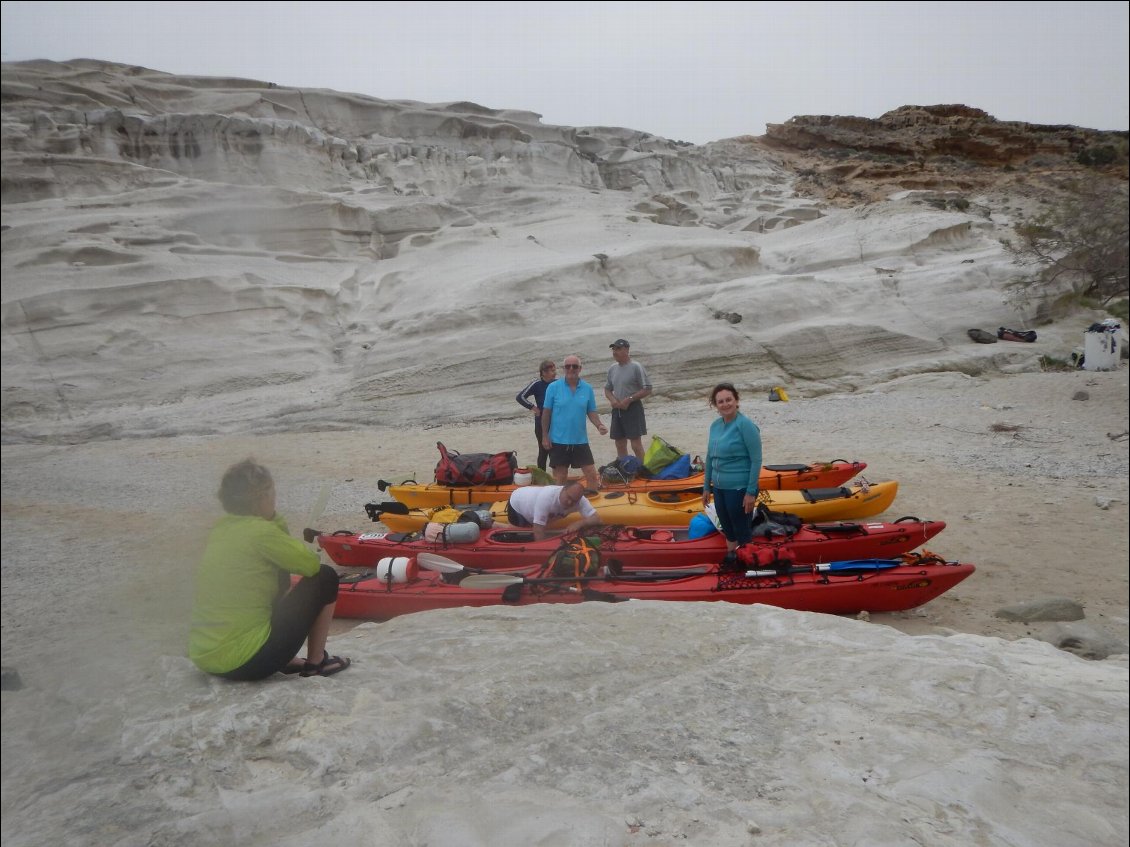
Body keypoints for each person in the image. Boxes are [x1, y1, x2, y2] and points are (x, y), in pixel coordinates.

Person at [188, 459, 351, 680]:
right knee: (325, 577)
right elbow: (309, 564)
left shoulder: (221, 529)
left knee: (271, 576)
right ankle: (317, 661)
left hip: (207, 659)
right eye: (272, 493)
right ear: (261, 498)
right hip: (246, 662)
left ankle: (286, 660)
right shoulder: (261, 532)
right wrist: (273, 520)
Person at [701, 383, 763, 558]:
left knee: (741, 531)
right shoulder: (715, 426)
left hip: (740, 488)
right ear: (715, 405)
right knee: (728, 529)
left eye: (729, 399)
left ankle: (749, 564)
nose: (725, 404)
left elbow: (756, 460)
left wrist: (750, 492)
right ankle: (734, 560)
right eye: (720, 401)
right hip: (719, 489)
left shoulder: (745, 425)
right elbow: (709, 456)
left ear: (736, 400)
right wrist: (706, 486)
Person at [541, 354, 608, 490]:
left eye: (574, 366)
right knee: (561, 476)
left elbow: (591, 411)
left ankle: (591, 501)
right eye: (567, 366)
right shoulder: (553, 387)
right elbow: (546, 413)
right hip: (559, 440)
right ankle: (559, 505)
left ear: (580, 369)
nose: (571, 369)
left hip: (580, 439)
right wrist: (544, 436)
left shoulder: (587, 388)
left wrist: (599, 425)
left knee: (591, 473)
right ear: (563, 368)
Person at [604, 339, 652, 461]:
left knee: (636, 444)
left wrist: (629, 399)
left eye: (618, 349)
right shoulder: (612, 368)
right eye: (613, 349)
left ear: (627, 350)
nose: (615, 352)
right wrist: (613, 400)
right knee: (619, 443)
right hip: (617, 409)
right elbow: (607, 389)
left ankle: (644, 471)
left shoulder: (636, 367)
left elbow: (647, 388)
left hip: (633, 408)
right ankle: (625, 470)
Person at [506, 480, 602, 541]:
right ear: (563, 489)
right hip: (517, 504)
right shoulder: (547, 497)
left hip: (533, 503)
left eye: (574, 501)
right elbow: (538, 530)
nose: (569, 502)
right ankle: (498, 526)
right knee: (524, 535)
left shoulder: (580, 500)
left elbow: (597, 519)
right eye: (568, 497)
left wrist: (579, 523)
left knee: (541, 529)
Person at [515, 359, 557, 471]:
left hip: (556, 423)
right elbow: (520, 397)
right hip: (541, 424)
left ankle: (557, 476)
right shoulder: (536, 384)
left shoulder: (557, 383)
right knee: (543, 451)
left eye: (555, 370)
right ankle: (542, 477)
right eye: (552, 370)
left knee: (556, 451)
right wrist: (534, 408)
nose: (555, 372)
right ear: (544, 372)